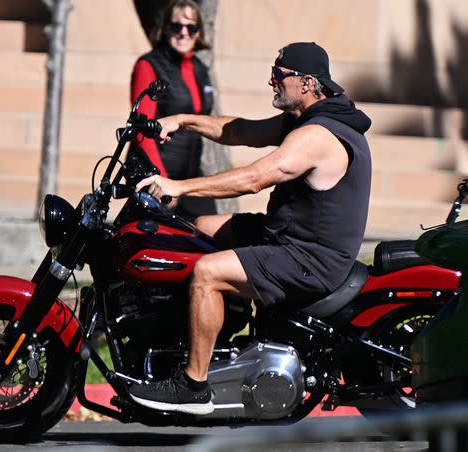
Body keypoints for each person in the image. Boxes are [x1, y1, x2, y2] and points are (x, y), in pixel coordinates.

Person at [128, 42, 373, 415]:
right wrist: (181, 120)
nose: (271, 81)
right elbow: (238, 130)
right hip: (288, 237)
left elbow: (255, 178)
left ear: (307, 83)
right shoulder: (307, 120)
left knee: (207, 272)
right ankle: (218, 342)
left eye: (279, 75)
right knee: (201, 228)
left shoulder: (318, 135)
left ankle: (193, 385)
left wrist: (179, 186)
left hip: (309, 258)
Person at [128, 0, 217, 222]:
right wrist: (161, 179)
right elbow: (142, 129)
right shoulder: (149, 65)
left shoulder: (200, 69)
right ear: (166, 28)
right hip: (154, 175)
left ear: (198, 32)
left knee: (208, 234)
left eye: (191, 27)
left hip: (189, 176)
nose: (183, 33)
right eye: (177, 26)